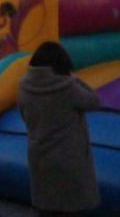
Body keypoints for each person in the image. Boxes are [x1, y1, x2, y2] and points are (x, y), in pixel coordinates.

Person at [18, 42, 101, 216]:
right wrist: (74, 78)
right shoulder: (67, 87)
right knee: (70, 207)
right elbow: (93, 101)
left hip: (39, 158)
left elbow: (25, 116)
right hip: (68, 158)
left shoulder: (24, 87)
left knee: (47, 208)